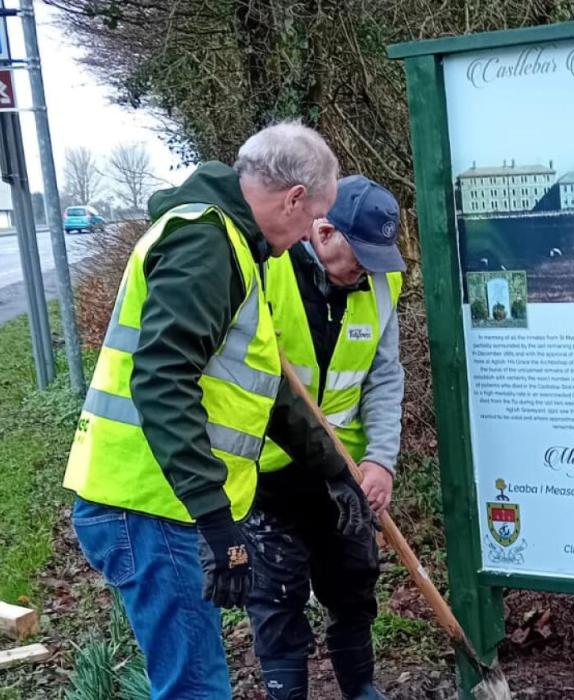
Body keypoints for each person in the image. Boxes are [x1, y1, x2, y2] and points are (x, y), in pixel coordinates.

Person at [64, 123, 375, 700]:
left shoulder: (236, 247)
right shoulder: (206, 244)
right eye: (313, 218)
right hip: (151, 504)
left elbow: (268, 389)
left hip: (161, 501)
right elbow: (162, 379)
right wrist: (214, 518)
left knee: (196, 682)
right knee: (195, 689)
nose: (308, 236)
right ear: (294, 199)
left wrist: (336, 471)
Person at [247, 175, 406, 700]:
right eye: (359, 256)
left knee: (354, 582)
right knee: (278, 592)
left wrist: (380, 460)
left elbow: (384, 377)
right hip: (268, 470)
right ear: (322, 230)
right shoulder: (266, 271)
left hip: (346, 473)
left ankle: (361, 689)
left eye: (377, 258)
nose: (366, 270)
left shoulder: (380, 284)